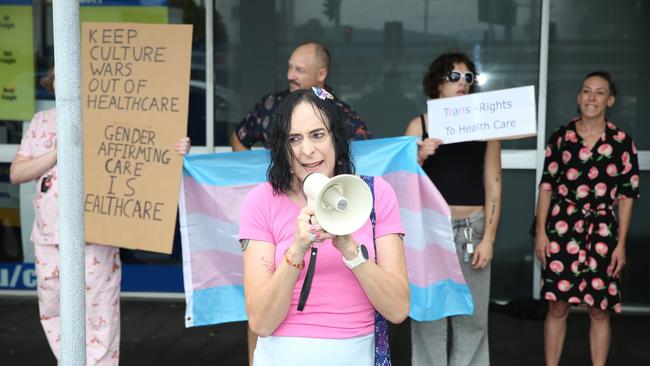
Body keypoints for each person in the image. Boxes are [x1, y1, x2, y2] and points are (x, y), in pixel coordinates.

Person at [9, 68, 191, 365]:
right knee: (52, 306)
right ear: (52, 84)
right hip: (48, 234)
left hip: (97, 232)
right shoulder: (42, 122)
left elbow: (150, 147)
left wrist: (177, 147)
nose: (65, 82)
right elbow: (17, 173)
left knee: (100, 311)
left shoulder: (110, 117)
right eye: (59, 77)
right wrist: (57, 151)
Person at [239, 88, 409, 365]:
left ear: (336, 139)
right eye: (294, 139)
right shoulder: (260, 201)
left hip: (356, 353)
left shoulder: (376, 195)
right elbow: (261, 323)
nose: (307, 150)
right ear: (282, 147)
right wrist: (296, 250)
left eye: (318, 134)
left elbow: (398, 309)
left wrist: (351, 250)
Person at [534, 71, 640, 366]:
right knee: (557, 307)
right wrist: (541, 232)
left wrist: (621, 244)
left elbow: (627, 197)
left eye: (600, 92)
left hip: (604, 232)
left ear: (611, 100)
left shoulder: (622, 143)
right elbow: (546, 187)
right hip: (562, 228)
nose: (592, 97)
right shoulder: (562, 138)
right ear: (579, 97)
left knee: (599, 309)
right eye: (586, 91)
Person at [404, 53, 502, 366]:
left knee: (472, 316)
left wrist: (489, 237)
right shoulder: (418, 125)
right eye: (454, 76)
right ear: (437, 83)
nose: (462, 83)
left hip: (472, 228)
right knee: (429, 313)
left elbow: (494, 186)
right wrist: (420, 156)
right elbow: (399, 183)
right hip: (430, 232)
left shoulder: (486, 128)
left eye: (468, 77)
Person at [230, 42, 371, 151]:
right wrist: (255, 178)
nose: (290, 76)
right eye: (290, 67)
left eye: (300, 70)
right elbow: (239, 138)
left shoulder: (343, 115)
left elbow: (366, 156)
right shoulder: (270, 104)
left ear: (321, 74)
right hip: (278, 187)